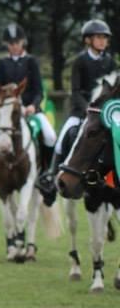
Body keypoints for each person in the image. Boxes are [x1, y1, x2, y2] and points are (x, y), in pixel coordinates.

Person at [37, 19, 117, 204]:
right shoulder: (80, 61)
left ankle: (108, 177)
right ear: (88, 40)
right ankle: (50, 175)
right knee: (65, 134)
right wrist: (89, 110)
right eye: (98, 37)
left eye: (105, 38)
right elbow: (75, 91)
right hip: (81, 111)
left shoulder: (110, 61)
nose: (102, 41)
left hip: (105, 114)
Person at [0, 23, 56, 182]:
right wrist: (1, 104)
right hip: (6, 111)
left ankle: (46, 172)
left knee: (50, 136)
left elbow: (39, 90)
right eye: (11, 44)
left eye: (17, 43)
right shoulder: (2, 63)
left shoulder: (31, 61)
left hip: (30, 110)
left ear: (22, 42)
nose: (14, 46)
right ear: (7, 45)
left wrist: (33, 105)